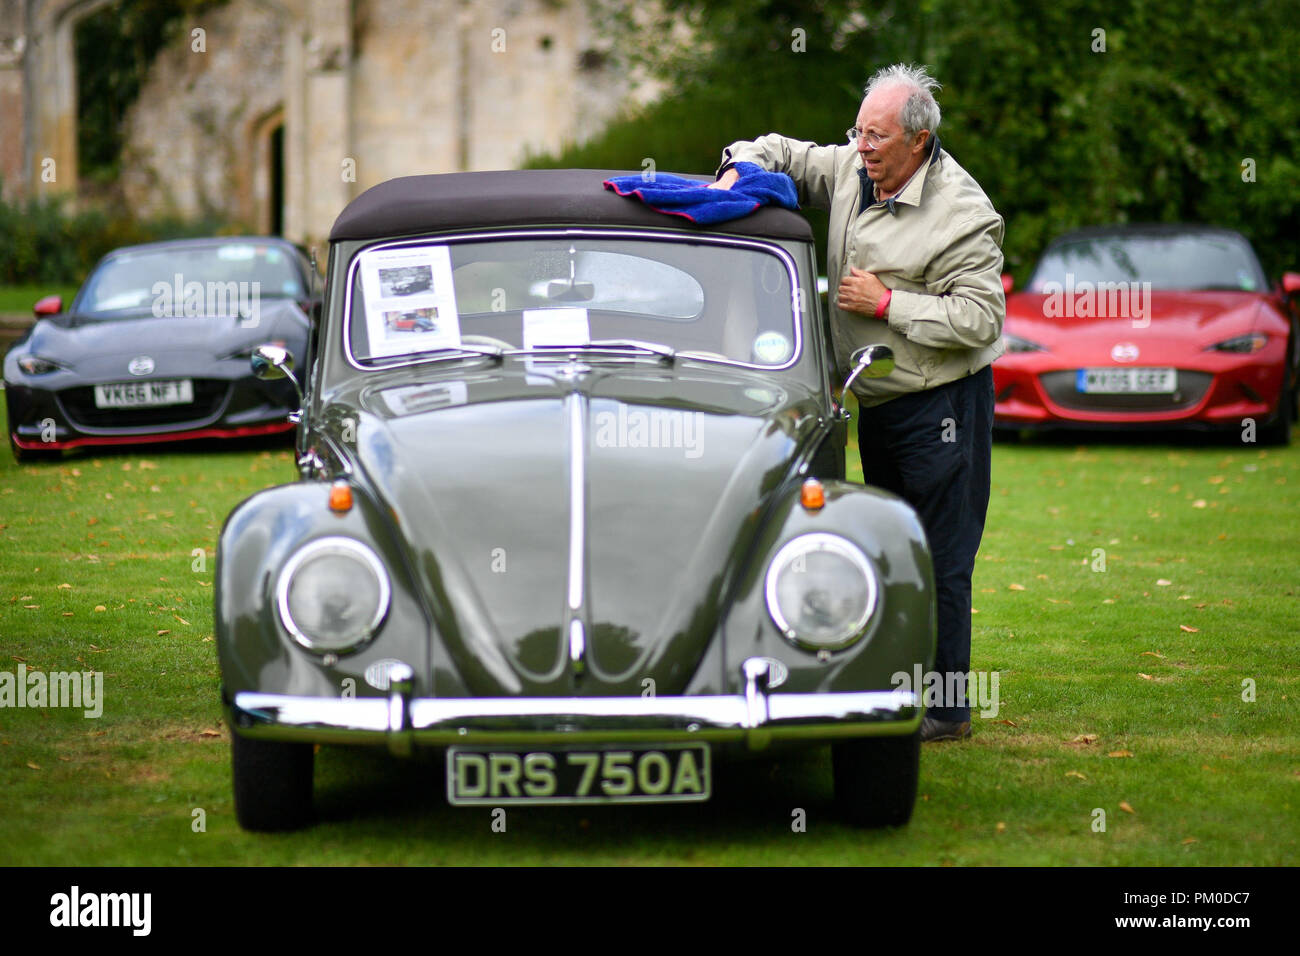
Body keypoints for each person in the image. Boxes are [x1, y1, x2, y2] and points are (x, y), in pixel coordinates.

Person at [710, 63, 1004, 742]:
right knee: (888, 548)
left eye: (877, 138)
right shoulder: (852, 167)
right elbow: (780, 152)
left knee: (942, 559)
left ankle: (949, 709)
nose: (862, 147)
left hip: (943, 406)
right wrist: (739, 171)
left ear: (919, 144)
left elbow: (981, 319)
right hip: (879, 405)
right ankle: (893, 683)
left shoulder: (963, 213)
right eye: (858, 132)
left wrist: (889, 303)